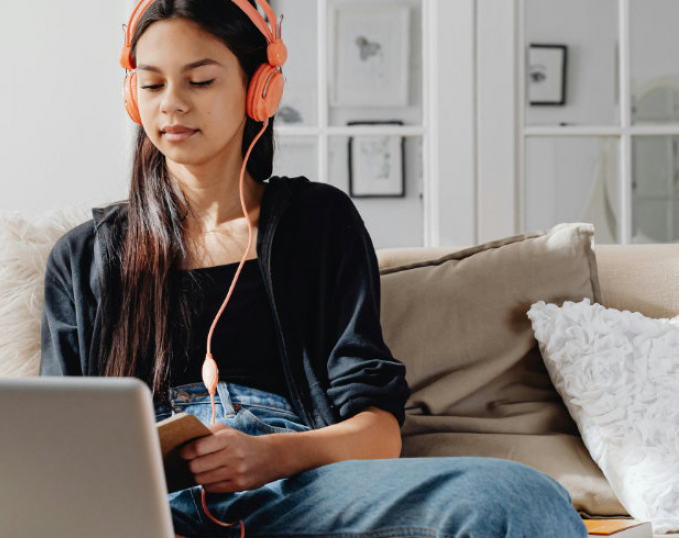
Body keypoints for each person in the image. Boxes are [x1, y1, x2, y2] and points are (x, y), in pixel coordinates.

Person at [38, 0, 588, 536]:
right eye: (152, 84)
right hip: (155, 505)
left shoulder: (318, 222)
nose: (171, 104)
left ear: (260, 90)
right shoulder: (84, 257)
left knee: (520, 496)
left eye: (200, 81)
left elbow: (378, 433)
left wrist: (270, 456)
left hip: (301, 487)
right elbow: (60, 446)